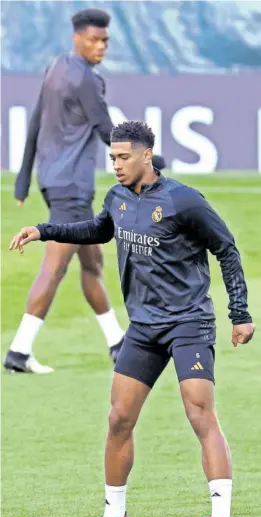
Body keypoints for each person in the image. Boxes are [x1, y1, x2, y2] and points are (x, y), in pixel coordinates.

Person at [9, 120, 255, 517]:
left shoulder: (184, 201)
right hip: (143, 327)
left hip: (188, 323)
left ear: (147, 155)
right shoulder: (118, 197)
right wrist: (44, 229)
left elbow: (227, 248)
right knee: (119, 419)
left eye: (124, 157)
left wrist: (240, 313)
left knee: (200, 413)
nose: (117, 165)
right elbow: (99, 229)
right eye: (113, 158)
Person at [4, 8, 164, 374]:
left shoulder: (56, 66)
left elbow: (34, 119)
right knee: (55, 267)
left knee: (92, 262)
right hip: (71, 188)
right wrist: (147, 159)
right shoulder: (88, 82)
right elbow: (107, 130)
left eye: (105, 41)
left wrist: (24, 176)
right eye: (94, 40)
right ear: (77, 38)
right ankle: (19, 351)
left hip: (54, 180)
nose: (101, 47)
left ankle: (116, 342)